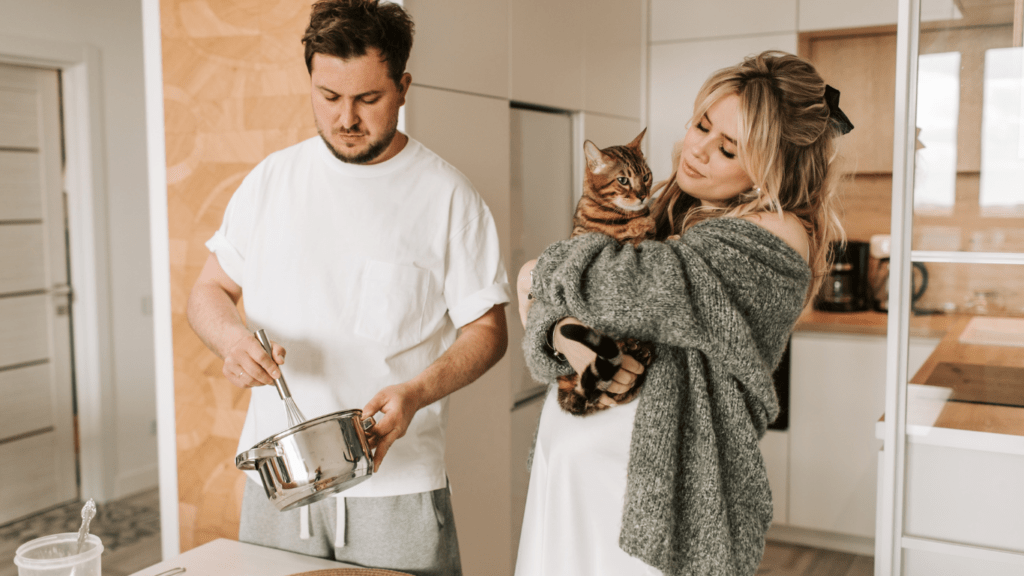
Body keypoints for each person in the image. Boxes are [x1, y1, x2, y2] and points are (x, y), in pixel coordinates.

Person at [186, 1, 510, 574]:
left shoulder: (448, 198)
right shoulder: (270, 182)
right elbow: (209, 290)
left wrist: (415, 392)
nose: (346, 119)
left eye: (368, 99)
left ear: (403, 87)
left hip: (398, 483)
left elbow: (487, 329)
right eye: (328, 96)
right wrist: (232, 342)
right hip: (280, 484)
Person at [515, 50, 851, 576]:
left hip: (655, 503)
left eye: (728, 150)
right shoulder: (676, 209)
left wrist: (539, 271)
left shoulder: (772, 238)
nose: (697, 151)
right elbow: (568, 310)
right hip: (581, 476)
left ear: (771, 170)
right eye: (701, 125)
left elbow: (629, 287)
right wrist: (561, 332)